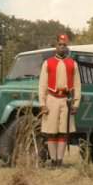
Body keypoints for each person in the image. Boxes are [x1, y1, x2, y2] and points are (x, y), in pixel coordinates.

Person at [38, 33, 81, 167]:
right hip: (51, 99)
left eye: (64, 45)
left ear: (67, 47)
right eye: (60, 45)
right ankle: (53, 160)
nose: (62, 47)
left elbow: (78, 85)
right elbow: (42, 85)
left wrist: (76, 103)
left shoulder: (72, 63)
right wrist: (42, 104)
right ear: (55, 46)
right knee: (51, 132)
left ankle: (60, 161)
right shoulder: (48, 63)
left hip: (66, 100)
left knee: (63, 131)